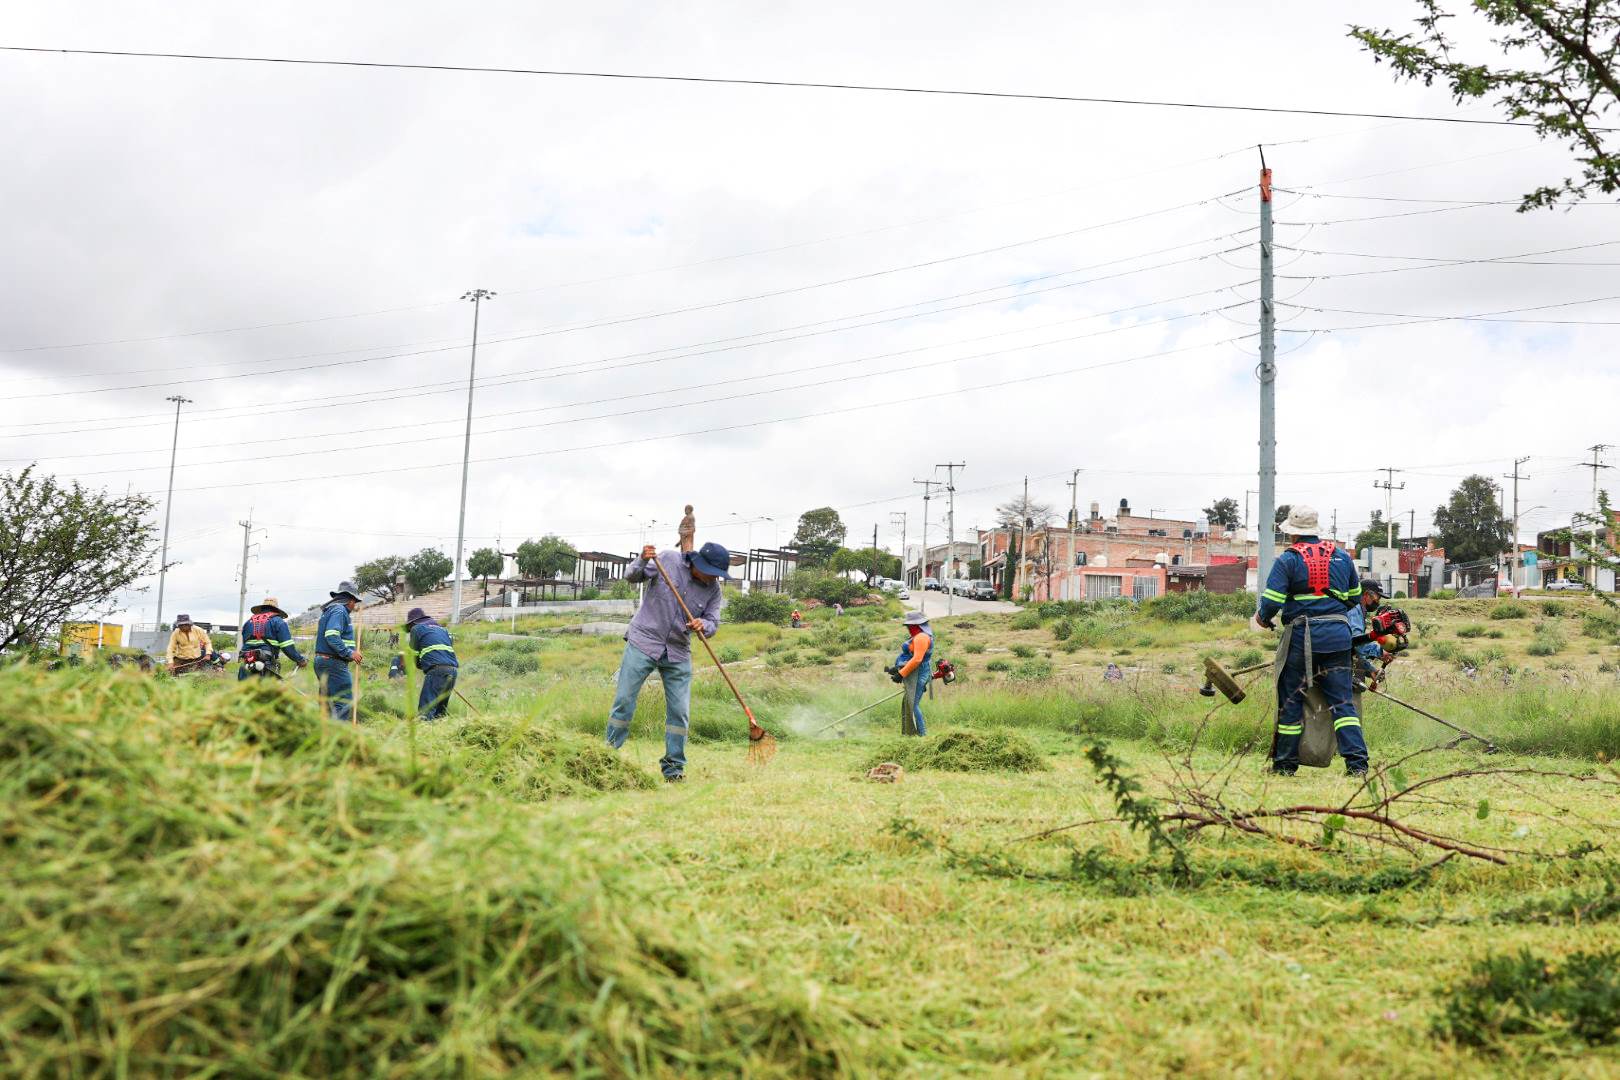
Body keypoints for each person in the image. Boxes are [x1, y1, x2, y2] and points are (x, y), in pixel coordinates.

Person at [1256, 505, 1370, 778]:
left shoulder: (1288, 560)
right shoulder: (1342, 557)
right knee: (1343, 703)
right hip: (1339, 638)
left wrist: (1263, 617)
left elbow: (1271, 602)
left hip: (1302, 637)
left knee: (1292, 700)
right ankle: (1357, 765)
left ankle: (1284, 765)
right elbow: (1354, 597)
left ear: (1293, 534)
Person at [604, 541, 730, 782]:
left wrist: (704, 625)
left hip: (678, 650)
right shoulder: (668, 560)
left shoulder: (713, 590)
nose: (714, 579)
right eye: (712, 573)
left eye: (718, 575)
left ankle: (674, 769)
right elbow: (632, 576)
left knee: (680, 712)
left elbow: (714, 621)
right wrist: (642, 558)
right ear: (698, 564)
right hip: (644, 641)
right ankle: (607, 755)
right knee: (624, 701)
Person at [314, 582, 363, 722]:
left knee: (327, 702)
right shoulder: (339, 611)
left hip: (323, 661)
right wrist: (350, 653)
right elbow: (331, 635)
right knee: (343, 701)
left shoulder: (330, 611)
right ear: (351, 600)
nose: (355, 606)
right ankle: (339, 737)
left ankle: (324, 736)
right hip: (333, 663)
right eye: (354, 602)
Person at [885, 610, 934, 736]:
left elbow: (917, 659)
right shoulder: (918, 636)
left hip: (919, 673)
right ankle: (910, 734)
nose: (908, 628)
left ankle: (922, 735)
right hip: (915, 672)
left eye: (909, 626)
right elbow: (911, 657)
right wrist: (898, 668)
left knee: (913, 704)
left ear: (916, 625)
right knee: (909, 702)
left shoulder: (922, 637)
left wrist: (901, 674)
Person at [405, 606, 458, 720]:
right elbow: (445, 649)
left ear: (413, 622)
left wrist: (421, 665)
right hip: (452, 670)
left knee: (426, 711)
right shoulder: (443, 630)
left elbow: (414, 654)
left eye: (409, 627)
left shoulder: (416, 629)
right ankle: (440, 734)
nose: (410, 630)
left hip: (437, 671)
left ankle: (424, 733)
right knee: (440, 712)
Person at [238, 596, 307, 680]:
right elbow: (287, 646)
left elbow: (245, 642)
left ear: (262, 608)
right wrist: (300, 660)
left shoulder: (248, 622)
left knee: (243, 691)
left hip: (246, 663)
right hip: (266, 665)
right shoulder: (278, 621)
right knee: (266, 691)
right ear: (276, 609)